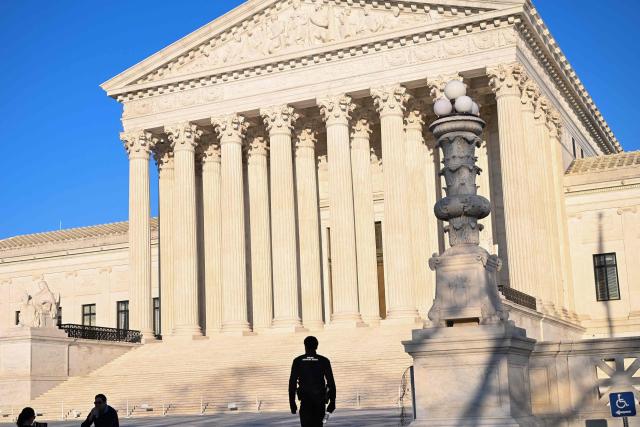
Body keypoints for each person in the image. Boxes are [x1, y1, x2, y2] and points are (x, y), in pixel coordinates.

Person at [289, 336, 336, 427]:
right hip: (320, 401)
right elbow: (331, 383)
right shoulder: (324, 361)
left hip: (305, 401)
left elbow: (292, 383)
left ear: (305, 346)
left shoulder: (298, 361)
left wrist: (292, 402)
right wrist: (333, 401)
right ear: (317, 346)